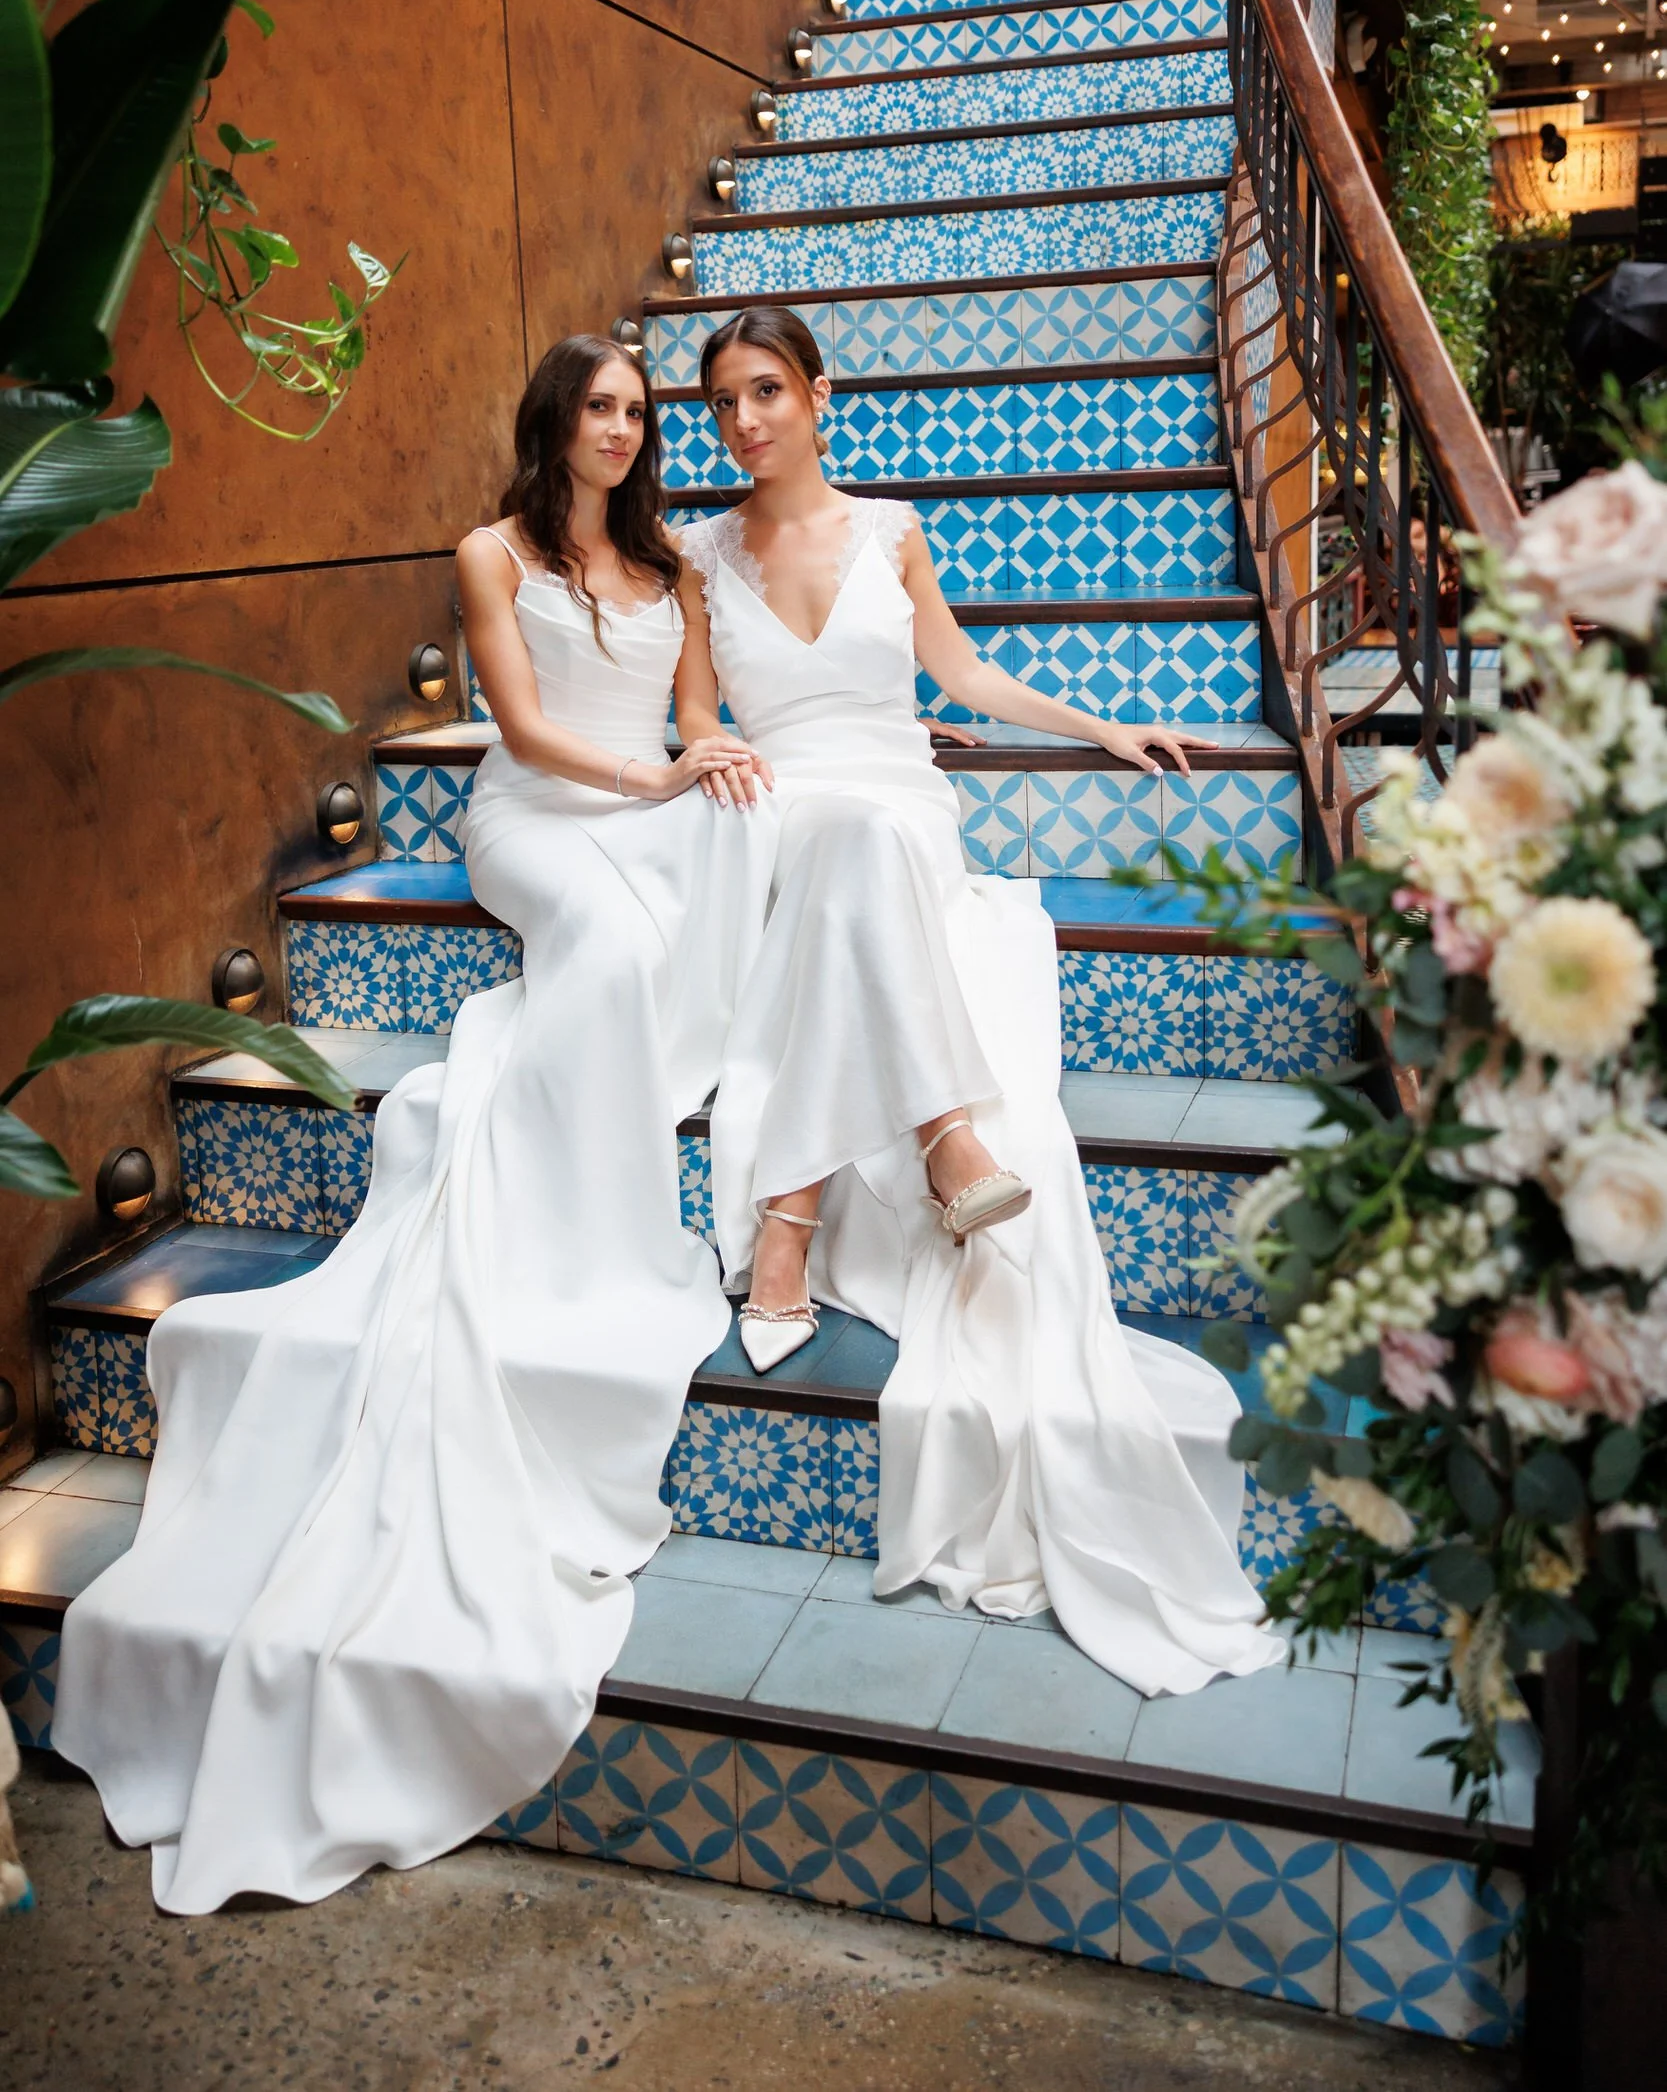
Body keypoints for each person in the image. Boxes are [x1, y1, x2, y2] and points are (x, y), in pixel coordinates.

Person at [53, 337, 778, 1913]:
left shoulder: (670, 564)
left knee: (757, 844)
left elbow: (696, 711)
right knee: (606, 948)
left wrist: (709, 759)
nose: (623, 428)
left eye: (639, 411)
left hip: (653, 809)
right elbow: (520, 730)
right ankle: (577, 1234)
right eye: (600, 406)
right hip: (541, 825)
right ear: (553, 421)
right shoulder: (490, 553)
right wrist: (654, 784)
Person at [676, 309, 1286, 1698]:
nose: (745, 422)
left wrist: (1100, 726)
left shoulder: (893, 530)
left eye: (766, 391)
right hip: (778, 808)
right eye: (722, 404)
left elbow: (962, 675)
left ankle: (791, 1221)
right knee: (841, 845)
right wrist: (713, 753)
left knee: (874, 843)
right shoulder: (700, 555)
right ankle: (949, 1138)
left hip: (896, 801)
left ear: (818, 393)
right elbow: (700, 710)